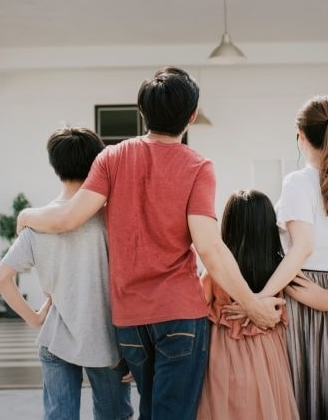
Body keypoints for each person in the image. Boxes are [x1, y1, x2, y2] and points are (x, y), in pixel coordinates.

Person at [16, 66, 283, 420]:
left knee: (151, 411)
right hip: (180, 315)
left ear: (142, 112)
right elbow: (210, 248)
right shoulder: (198, 166)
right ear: (191, 116)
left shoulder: (111, 157)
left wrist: (27, 216)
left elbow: (68, 218)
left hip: (129, 320)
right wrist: (252, 305)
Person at [245, 95, 328, 419]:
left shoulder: (297, 182)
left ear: (300, 135)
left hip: (306, 289)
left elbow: (302, 248)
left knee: (307, 390)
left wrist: (260, 296)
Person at [0, 127, 133, 420]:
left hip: (56, 337)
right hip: (107, 341)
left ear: (55, 166)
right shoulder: (111, 219)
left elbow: (1, 279)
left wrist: (35, 318)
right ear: (97, 162)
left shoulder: (38, 223)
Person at [197, 189, 301, 420]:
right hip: (267, 355)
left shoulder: (216, 272)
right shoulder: (279, 268)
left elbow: (195, 309)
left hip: (223, 352)